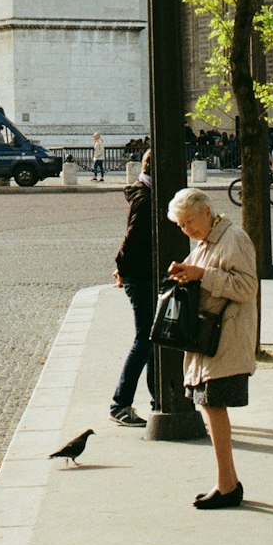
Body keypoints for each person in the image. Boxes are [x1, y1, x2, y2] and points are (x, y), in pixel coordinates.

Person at [166, 187, 258, 509]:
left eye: (189, 221)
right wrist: (184, 274)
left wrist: (202, 275)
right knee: (211, 409)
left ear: (207, 212)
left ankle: (227, 484)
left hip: (225, 339)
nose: (186, 230)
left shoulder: (233, 238)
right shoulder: (206, 243)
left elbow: (247, 288)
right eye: (181, 225)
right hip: (211, 341)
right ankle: (227, 482)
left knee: (214, 409)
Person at [110, 146, 154, 426]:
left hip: (142, 274)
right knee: (146, 339)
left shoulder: (144, 193)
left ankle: (158, 397)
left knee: (153, 339)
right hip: (141, 275)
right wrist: (122, 269)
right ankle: (120, 404)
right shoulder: (146, 198)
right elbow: (133, 236)